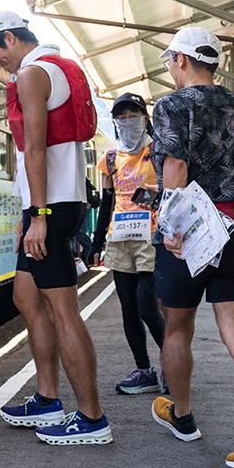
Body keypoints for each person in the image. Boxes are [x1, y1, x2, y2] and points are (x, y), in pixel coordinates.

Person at [0, 11, 111, 446]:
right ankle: (47, 398)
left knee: (64, 311)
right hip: (58, 201)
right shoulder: (60, 67)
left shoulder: (33, 74)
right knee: (25, 296)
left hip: (52, 205)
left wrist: (38, 217)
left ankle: (91, 418)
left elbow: (34, 150)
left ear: (9, 38)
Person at [147, 26, 234, 468]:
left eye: (170, 60)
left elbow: (177, 164)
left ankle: (181, 414)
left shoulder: (170, 105)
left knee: (177, 328)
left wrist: (171, 224)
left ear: (182, 60)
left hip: (189, 231)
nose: (169, 68)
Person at [92, 92, 165, 396]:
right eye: (120, 117)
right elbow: (107, 201)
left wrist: (156, 193)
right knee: (127, 307)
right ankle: (144, 369)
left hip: (150, 236)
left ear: (145, 118)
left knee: (147, 304)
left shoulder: (159, 151)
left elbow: (175, 189)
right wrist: (97, 242)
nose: (126, 122)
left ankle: (173, 363)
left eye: (132, 115)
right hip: (119, 238)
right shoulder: (110, 157)